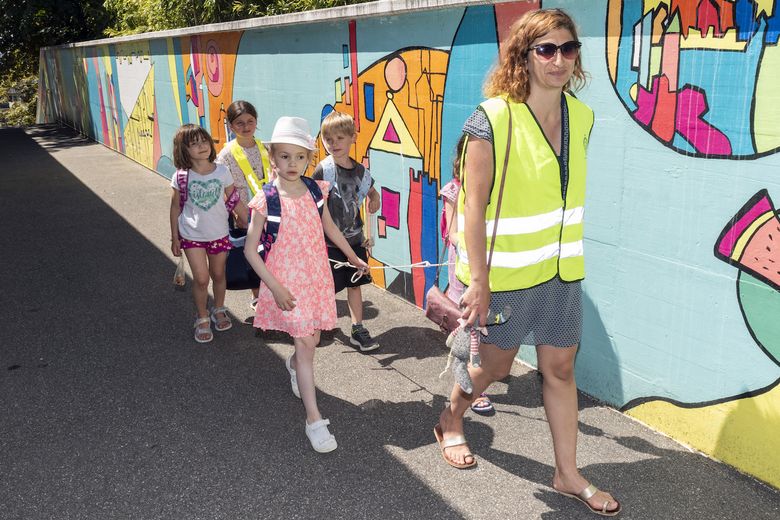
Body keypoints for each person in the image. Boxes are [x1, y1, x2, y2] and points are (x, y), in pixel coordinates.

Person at [433, 9, 621, 517]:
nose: (559, 60)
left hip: (560, 274)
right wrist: (479, 282)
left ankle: (566, 473)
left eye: (568, 48)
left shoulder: (582, 117)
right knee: (493, 364)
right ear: (524, 54)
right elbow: (473, 206)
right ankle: (452, 417)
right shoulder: (491, 118)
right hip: (504, 277)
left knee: (560, 368)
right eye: (546, 50)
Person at [244, 116, 369, 453]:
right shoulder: (266, 198)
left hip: (315, 278)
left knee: (311, 341)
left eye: (300, 157)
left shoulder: (316, 189)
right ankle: (314, 419)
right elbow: (249, 250)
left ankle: (294, 366)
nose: (292, 164)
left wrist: (352, 256)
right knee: (305, 345)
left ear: (308, 159)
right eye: (284, 156)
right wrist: (275, 288)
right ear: (272, 157)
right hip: (284, 283)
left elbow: (329, 227)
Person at [169, 124, 248, 343]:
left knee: (219, 275)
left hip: (219, 234)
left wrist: (249, 222)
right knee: (202, 279)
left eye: (204, 141)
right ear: (183, 150)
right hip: (191, 236)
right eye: (193, 144)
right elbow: (175, 207)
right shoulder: (182, 177)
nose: (201, 146)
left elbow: (233, 199)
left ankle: (219, 308)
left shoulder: (222, 171)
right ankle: (202, 316)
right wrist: (175, 237)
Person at [312, 111, 381, 352]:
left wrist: (375, 198)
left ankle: (357, 328)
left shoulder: (361, 171)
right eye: (328, 139)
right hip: (328, 243)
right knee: (326, 287)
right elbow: (314, 203)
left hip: (354, 239)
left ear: (353, 138)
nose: (334, 144)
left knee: (354, 284)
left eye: (340, 138)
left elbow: (372, 191)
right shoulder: (324, 170)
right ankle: (318, 324)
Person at [440, 136, 494, 416]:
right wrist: (474, 242)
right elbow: (453, 232)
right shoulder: (453, 190)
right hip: (464, 267)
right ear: (461, 162)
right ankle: (474, 387)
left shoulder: (492, 192)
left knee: (479, 324)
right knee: (471, 325)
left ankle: (475, 369)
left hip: (488, 268)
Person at [216, 100, 273, 310]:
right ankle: (257, 295)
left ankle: (273, 292)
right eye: (239, 123)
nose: (246, 126)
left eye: (250, 121)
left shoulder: (266, 148)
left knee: (270, 252)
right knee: (252, 254)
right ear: (231, 126)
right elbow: (225, 190)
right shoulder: (226, 155)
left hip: (270, 211)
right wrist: (242, 214)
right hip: (245, 213)